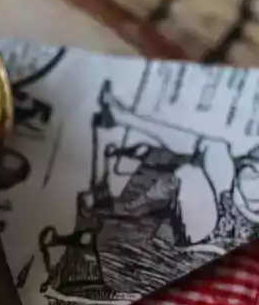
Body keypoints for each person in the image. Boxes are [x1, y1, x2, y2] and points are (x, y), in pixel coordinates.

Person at [95, 81, 259, 250]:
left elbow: (248, 182)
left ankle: (133, 205)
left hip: (226, 234)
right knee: (216, 147)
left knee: (188, 174)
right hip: (228, 203)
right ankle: (121, 117)